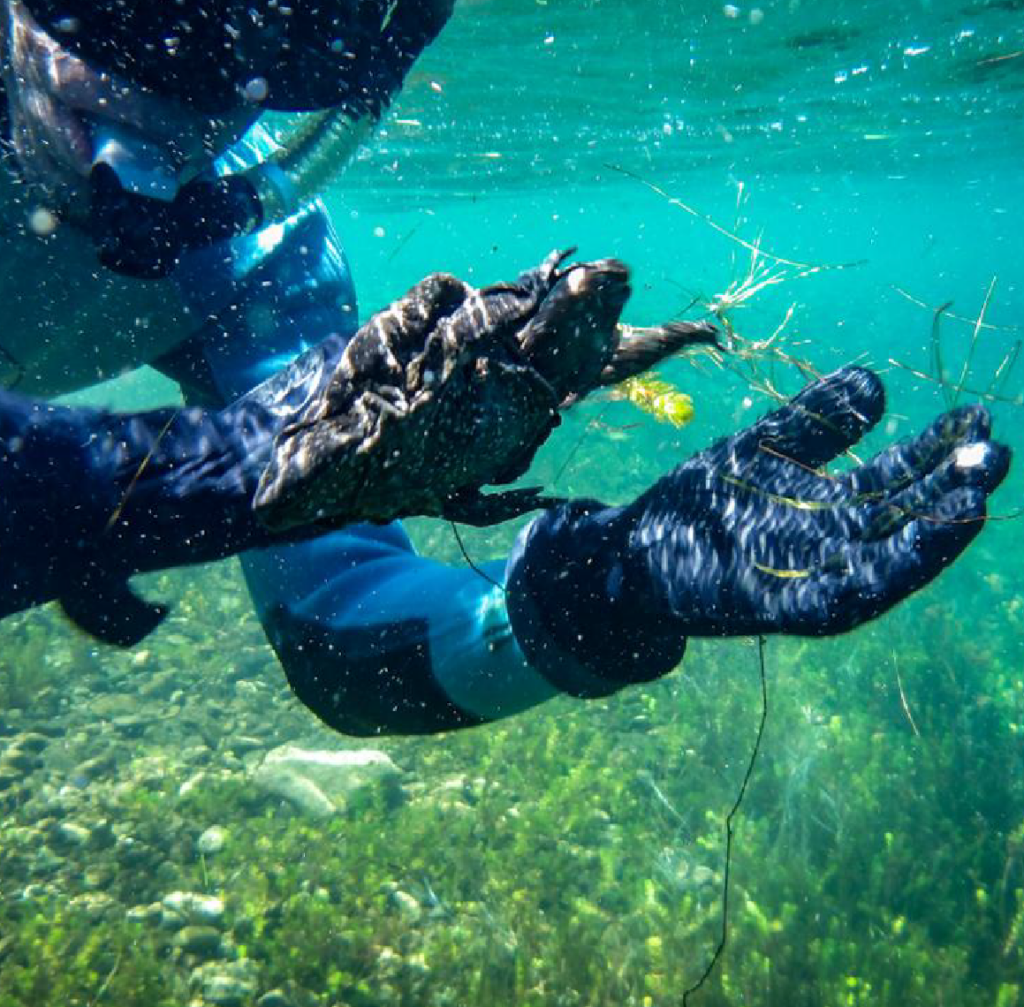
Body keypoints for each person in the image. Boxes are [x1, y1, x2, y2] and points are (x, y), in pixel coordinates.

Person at [0, 0, 1010, 736]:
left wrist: (591, 595)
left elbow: (339, 636)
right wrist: (223, 468)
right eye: (120, 18)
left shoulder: (260, 267)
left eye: (275, 44)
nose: (155, 114)